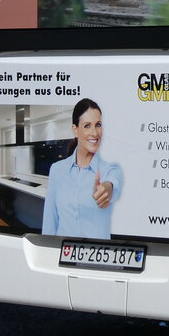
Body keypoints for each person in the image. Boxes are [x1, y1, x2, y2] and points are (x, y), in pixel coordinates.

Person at [42, 98, 124, 239]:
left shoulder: (110, 169)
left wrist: (107, 189)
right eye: (87, 126)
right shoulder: (57, 170)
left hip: (97, 252)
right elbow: (49, 224)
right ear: (75, 130)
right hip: (62, 251)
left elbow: (113, 183)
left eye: (98, 125)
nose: (95, 133)